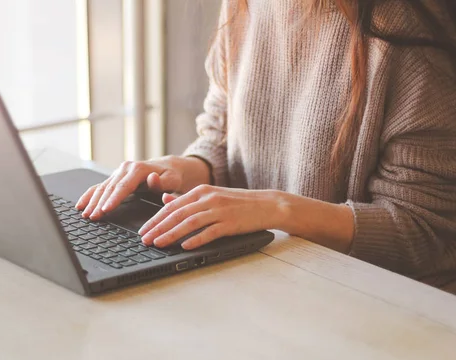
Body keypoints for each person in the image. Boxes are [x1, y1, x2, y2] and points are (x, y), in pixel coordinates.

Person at [76, 0, 456, 293]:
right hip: (264, 283)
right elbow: (223, 136)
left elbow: (424, 234)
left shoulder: (411, 38)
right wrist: (183, 168)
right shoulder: (245, 5)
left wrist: (279, 209)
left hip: (372, 310)